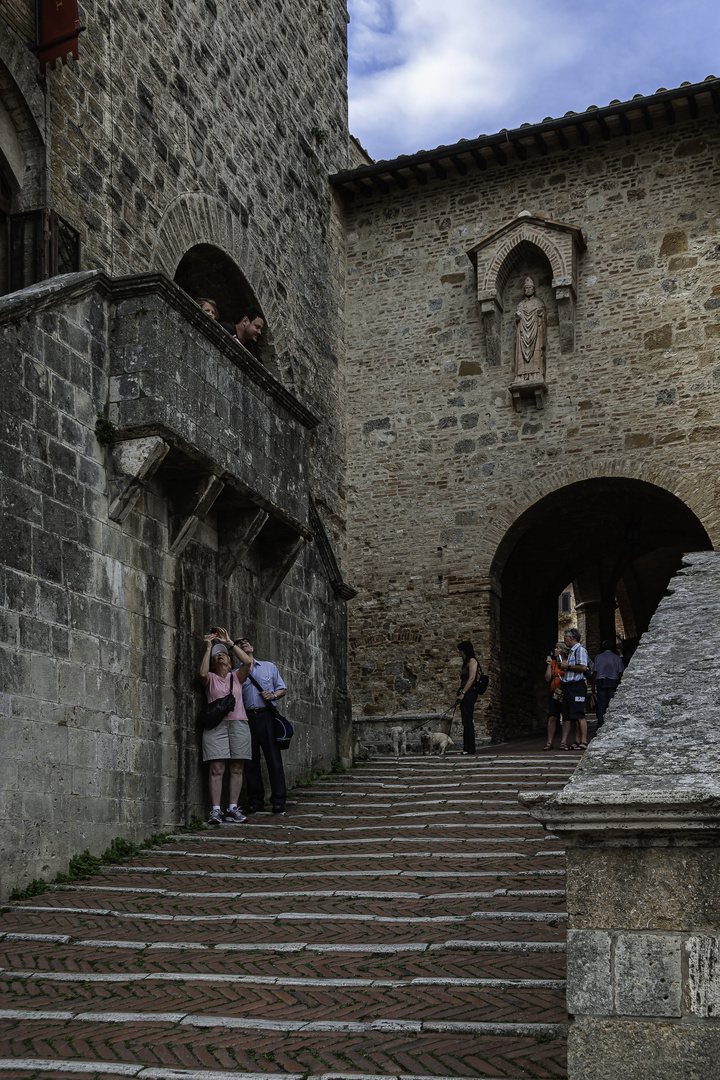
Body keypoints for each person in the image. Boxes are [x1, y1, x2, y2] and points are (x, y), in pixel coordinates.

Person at [198, 628, 253, 825]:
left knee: (237, 768)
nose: (220, 656)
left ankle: (232, 808)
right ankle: (215, 811)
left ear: (230, 664)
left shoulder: (237, 676)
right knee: (216, 768)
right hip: (216, 726)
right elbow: (202, 674)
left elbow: (247, 661)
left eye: (224, 655)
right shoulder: (211, 678)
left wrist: (230, 643)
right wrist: (208, 648)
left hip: (239, 724)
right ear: (214, 663)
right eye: (217, 656)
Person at [237, 637, 288, 813]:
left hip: (266, 716)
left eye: (245, 641)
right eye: (238, 643)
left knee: (273, 758)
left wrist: (273, 695)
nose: (243, 643)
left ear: (252, 646)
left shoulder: (269, 667)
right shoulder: (236, 673)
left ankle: (279, 799)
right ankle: (255, 801)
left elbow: (282, 689)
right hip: (246, 718)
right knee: (250, 761)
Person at [558, 627, 590, 751]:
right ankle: (577, 740)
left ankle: (584, 741)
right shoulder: (571, 651)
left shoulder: (580, 650)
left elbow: (583, 667)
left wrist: (568, 666)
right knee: (571, 715)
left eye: (565, 637)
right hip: (569, 686)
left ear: (571, 638)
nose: (564, 639)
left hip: (577, 686)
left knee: (579, 714)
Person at [514, 276, 546, 382]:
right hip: (522, 332)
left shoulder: (538, 303)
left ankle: (536, 375)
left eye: (529, 288)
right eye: (526, 288)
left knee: (536, 351)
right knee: (520, 353)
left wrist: (540, 315)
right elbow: (517, 319)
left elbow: (542, 317)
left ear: (533, 289)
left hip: (535, 331)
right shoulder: (520, 305)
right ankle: (521, 376)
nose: (528, 290)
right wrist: (517, 318)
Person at [543, 642, 570, 750]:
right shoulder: (553, 663)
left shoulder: (568, 662)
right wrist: (549, 665)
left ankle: (563, 742)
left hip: (566, 690)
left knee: (566, 717)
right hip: (555, 692)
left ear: (563, 651)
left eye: (557, 648)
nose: (555, 650)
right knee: (553, 716)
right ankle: (549, 742)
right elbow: (547, 678)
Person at [594, 639, 624, 727]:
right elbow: (620, 672)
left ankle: (601, 725)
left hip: (601, 682)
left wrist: (593, 685)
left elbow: (595, 672)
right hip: (613, 682)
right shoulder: (616, 657)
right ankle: (612, 725)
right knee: (612, 705)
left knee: (601, 705)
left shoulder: (598, 657)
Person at [457, 640, 480, 755]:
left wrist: (463, 693)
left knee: (468, 720)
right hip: (465, 692)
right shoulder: (465, 662)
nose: (458, 652)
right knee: (465, 720)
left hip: (470, 693)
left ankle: (469, 748)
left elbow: (471, 679)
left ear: (464, 650)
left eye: (460, 650)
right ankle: (467, 748)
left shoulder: (472, 661)